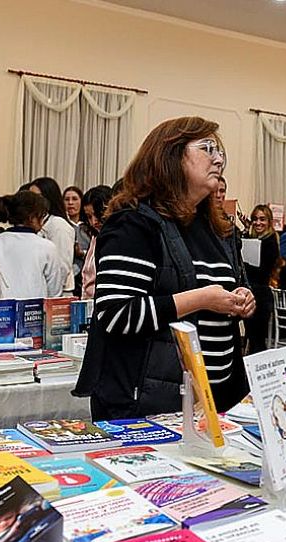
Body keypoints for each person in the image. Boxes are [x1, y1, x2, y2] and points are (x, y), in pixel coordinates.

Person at [74, 116, 255, 420]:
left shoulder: (214, 226)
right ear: (170, 155)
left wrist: (243, 298)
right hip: (150, 401)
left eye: (220, 151)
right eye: (207, 148)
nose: (219, 159)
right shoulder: (134, 223)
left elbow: (233, 284)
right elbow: (117, 314)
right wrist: (202, 299)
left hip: (216, 401)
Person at [0, 191, 67, 298]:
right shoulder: (47, 247)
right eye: (41, 216)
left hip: (0, 310)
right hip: (36, 311)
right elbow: (54, 291)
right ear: (32, 217)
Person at [243, 204, 280, 353]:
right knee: (252, 338)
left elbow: (263, 271)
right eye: (255, 219)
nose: (258, 223)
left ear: (269, 221)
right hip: (251, 293)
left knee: (257, 341)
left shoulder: (271, 241)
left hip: (261, 296)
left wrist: (244, 264)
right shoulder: (251, 238)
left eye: (262, 219)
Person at [30, 177, 76, 294]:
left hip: (57, 294)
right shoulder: (37, 224)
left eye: (36, 197)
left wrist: (51, 294)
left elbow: (62, 266)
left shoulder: (58, 225)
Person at [80, 185, 116, 299]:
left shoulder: (116, 238)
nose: (94, 222)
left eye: (98, 214)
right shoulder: (94, 238)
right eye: (89, 216)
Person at [63, 185, 91, 295]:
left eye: (74, 199)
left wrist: (81, 253)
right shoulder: (62, 226)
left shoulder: (89, 226)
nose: (70, 203)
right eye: (67, 199)